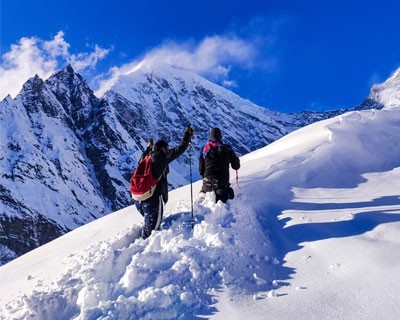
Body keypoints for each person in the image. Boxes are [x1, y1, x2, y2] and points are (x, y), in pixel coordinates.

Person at [135, 126, 194, 239]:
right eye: (167, 149)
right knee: (151, 234)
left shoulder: (147, 157)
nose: (168, 151)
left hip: (138, 199)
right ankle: (142, 253)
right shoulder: (161, 158)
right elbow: (180, 149)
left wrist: (148, 148)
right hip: (152, 199)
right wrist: (187, 134)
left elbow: (141, 158)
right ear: (163, 149)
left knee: (149, 225)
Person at [199, 127, 240, 203]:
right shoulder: (227, 149)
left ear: (210, 137)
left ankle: (202, 196)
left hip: (207, 185)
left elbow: (201, 170)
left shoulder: (204, 149)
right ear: (221, 137)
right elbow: (236, 166)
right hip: (222, 186)